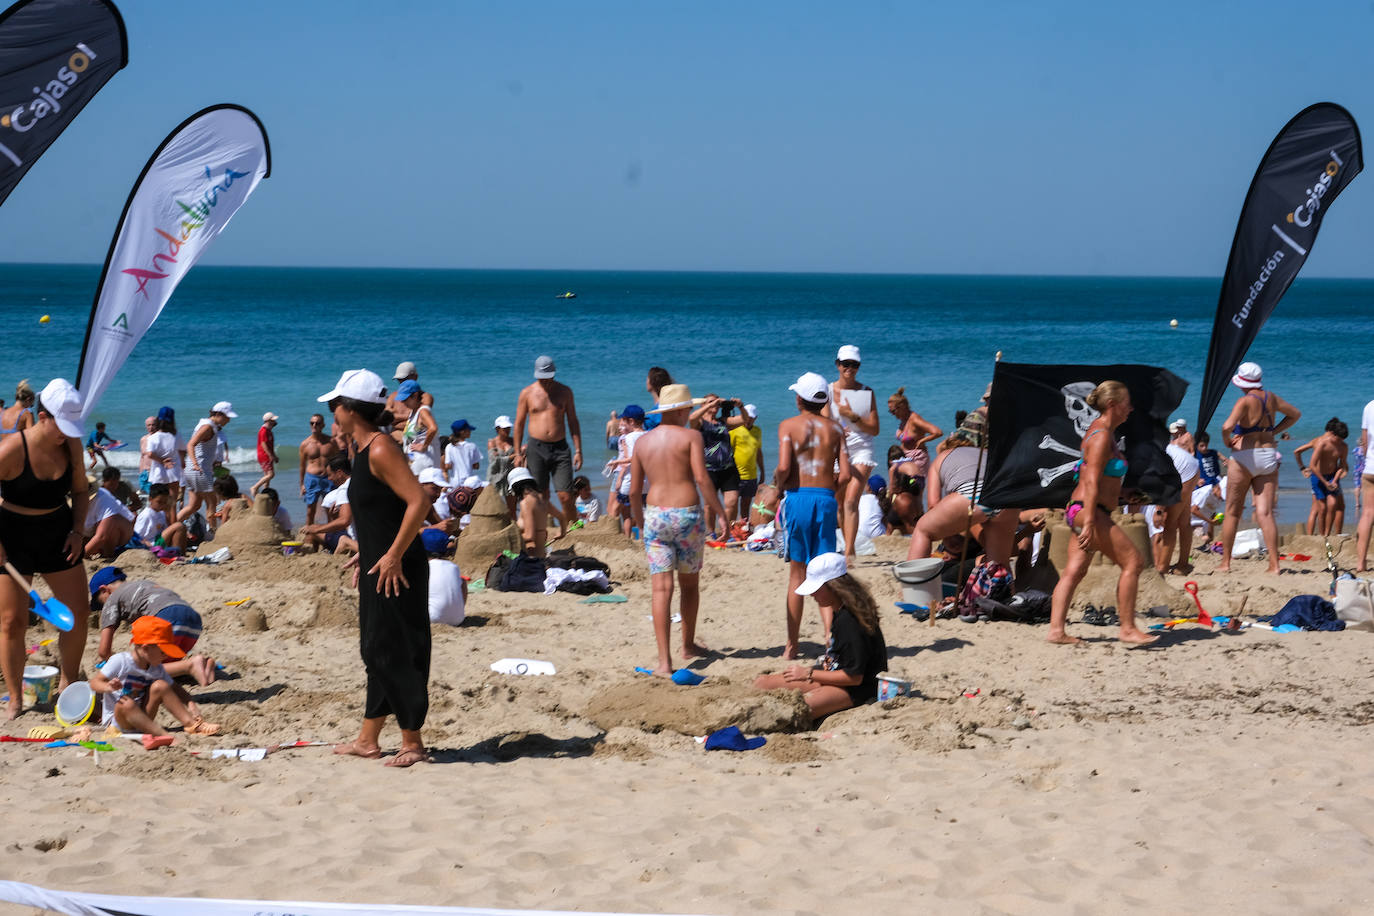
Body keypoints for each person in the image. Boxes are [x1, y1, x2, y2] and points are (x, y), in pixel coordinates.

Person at [321, 369, 432, 768]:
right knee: (377, 649)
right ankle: (368, 739)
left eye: (335, 404)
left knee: (390, 649)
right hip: (379, 562)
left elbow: (418, 502)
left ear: (351, 410)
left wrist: (392, 554)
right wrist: (368, 553)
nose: (332, 410)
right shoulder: (363, 449)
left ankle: (413, 742)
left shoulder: (382, 448)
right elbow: (381, 514)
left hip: (398, 565)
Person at [0, 379, 90, 714]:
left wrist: (78, 532)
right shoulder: (11, 450)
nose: (65, 434)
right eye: (60, 426)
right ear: (42, 417)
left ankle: (68, 684)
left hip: (57, 531)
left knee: (78, 613)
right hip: (12, 534)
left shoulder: (72, 446)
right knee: (12, 621)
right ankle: (15, 698)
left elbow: (80, 491)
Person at [629, 383, 728, 677]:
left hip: (656, 516)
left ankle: (664, 662)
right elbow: (701, 478)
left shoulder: (643, 443)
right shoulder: (691, 437)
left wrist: (638, 523)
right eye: (688, 408)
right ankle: (687, 645)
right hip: (687, 516)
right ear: (681, 409)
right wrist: (720, 513)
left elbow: (635, 491)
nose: (689, 413)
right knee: (689, 585)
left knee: (661, 589)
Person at [1046, 381, 1155, 645]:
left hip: (1084, 509)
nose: (1131, 408)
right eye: (1127, 403)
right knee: (1133, 562)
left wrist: (1124, 494)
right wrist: (1091, 523)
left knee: (1075, 571)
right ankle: (1127, 628)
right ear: (1113, 405)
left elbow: (1100, 478)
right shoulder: (1101, 436)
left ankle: (1056, 632)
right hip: (1088, 511)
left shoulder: (1105, 433)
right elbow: (1092, 480)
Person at [753, 553, 887, 719]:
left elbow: (854, 677)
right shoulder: (839, 608)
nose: (812, 594)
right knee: (762, 683)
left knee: (796, 712)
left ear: (833, 586)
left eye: (816, 588)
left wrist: (808, 673)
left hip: (858, 688)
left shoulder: (850, 621)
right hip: (835, 673)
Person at [776, 372, 850, 658]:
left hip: (798, 498)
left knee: (797, 573)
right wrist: (831, 492)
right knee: (826, 574)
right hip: (825, 498)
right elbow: (844, 475)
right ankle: (831, 640)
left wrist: (779, 485)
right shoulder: (835, 430)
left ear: (798, 399)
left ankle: (792, 646)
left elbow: (783, 467)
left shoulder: (788, 426)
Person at [1218, 362, 1299, 574]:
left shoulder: (1244, 401)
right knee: (1265, 513)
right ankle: (1274, 564)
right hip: (1268, 455)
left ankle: (1225, 563)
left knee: (1232, 512)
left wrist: (1227, 442)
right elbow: (1295, 414)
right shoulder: (1271, 398)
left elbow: (1226, 426)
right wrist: (1274, 430)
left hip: (1245, 456)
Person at [88, 615, 219, 736]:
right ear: (145, 648)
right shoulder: (120, 661)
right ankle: (159, 733)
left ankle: (192, 725)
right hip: (118, 721)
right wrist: (108, 687)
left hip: (143, 718)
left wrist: (191, 704)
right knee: (127, 704)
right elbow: (94, 683)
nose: (166, 655)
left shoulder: (156, 668)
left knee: (161, 686)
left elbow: (175, 689)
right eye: (163, 652)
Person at [907, 428, 1018, 568]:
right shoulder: (984, 452)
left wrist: (947, 532)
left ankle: (912, 586)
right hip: (1008, 496)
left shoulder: (941, 457)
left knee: (923, 530)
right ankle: (1006, 589)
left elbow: (933, 505)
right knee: (1000, 566)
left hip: (973, 493)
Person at [90, 566, 216, 686]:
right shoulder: (144, 584)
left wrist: (119, 662)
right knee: (162, 662)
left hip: (166, 618)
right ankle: (204, 666)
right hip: (193, 620)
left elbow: (103, 651)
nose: (103, 607)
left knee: (143, 668)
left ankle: (190, 665)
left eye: (101, 603)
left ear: (104, 590)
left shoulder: (112, 599)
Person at [513, 355, 582, 535]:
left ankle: (573, 528)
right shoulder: (527, 393)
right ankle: (542, 530)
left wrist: (578, 450)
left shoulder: (565, 392)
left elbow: (573, 421)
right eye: (543, 377)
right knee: (541, 495)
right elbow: (519, 424)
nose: (546, 381)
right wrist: (518, 453)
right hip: (536, 447)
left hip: (560, 448)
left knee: (565, 495)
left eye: (549, 376)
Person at [826, 346, 879, 558]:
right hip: (838, 449)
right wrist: (837, 429)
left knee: (851, 500)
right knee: (839, 503)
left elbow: (874, 429)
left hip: (862, 448)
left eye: (854, 364)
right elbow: (823, 421)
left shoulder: (866, 392)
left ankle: (849, 554)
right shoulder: (828, 391)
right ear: (838, 365)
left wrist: (853, 416)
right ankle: (848, 546)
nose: (850, 368)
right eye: (846, 364)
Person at [690, 395, 745, 537]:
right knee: (709, 505)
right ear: (703, 405)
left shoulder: (723, 421)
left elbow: (745, 419)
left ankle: (727, 531)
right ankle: (711, 532)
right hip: (708, 469)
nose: (714, 405)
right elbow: (691, 418)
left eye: (717, 403)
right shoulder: (700, 422)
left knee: (732, 502)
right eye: (710, 402)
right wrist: (709, 405)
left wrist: (741, 407)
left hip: (728, 468)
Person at [179, 402, 237, 528]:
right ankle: (214, 535)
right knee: (213, 504)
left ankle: (171, 527)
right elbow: (190, 444)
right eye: (227, 417)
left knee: (194, 505)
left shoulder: (209, 425)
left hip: (192, 470)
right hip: (199, 469)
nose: (228, 420)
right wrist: (195, 463)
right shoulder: (207, 427)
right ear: (218, 414)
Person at [1156, 420, 1201, 574]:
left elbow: (1164, 480)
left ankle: (1162, 567)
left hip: (1184, 472)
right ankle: (1183, 565)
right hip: (1191, 466)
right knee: (1184, 521)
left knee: (1169, 522)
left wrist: (1159, 510)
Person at [888, 386, 944, 505]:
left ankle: (918, 519)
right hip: (905, 459)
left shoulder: (915, 419)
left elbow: (937, 432)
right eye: (890, 411)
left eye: (893, 411)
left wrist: (923, 440)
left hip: (918, 458)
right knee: (902, 492)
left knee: (915, 492)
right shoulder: (904, 419)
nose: (892, 414)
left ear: (901, 407)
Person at [1294, 418, 1350, 536]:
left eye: (1342, 440)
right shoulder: (1321, 443)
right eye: (1338, 439)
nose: (1340, 442)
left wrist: (1335, 480)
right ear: (1333, 434)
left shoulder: (1343, 447)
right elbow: (1312, 465)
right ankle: (1321, 535)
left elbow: (1342, 465)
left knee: (1333, 504)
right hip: (1318, 478)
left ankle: (1327, 534)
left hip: (1332, 477)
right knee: (1321, 508)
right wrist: (1302, 468)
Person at [301, 455, 357, 555]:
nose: (329, 479)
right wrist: (334, 516)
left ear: (339, 473)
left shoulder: (344, 490)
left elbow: (344, 521)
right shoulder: (360, 482)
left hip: (355, 538)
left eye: (330, 475)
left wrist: (316, 528)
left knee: (315, 531)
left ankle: (343, 545)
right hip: (370, 533)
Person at [84, 466, 136, 558]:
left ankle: (108, 554)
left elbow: (101, 536)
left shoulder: (104, 499)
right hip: (94, 530)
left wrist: (79, 558)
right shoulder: (72, 499)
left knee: (112, 522)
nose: (115, 486)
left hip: (122, 532)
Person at [299, 413, 340, 526]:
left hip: (329, 478)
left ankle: (332, 537)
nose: (314, 425)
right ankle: (310, 538)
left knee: (331, 509)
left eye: (317, 423)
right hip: (312, 479)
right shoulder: (305, 444)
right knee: (310, 511)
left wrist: (340, 479)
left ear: (323, 425)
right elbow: (302, 466)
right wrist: (302, 484)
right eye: (312, 423)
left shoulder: (331, 442)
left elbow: (338, 460)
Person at [612, 404, 648, 537]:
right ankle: (642, 536)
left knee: (617, 510)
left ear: (631, 421)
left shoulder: (629, 437)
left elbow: (633, 458)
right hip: (648, 482)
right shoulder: (648, 434)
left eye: (625, 420)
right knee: (644, 512)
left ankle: (618, 538)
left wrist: (617, 462)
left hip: (632, 481)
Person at [423, 529, 466, 626]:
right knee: (462, 581)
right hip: (458, 619)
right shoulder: (454, 567)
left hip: (432, 617)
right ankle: (458, 611)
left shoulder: (424, 568)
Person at [731, 404, 766, 523]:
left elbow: (758, 453)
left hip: (751, 475)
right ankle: (731, 529)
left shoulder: (757, 431)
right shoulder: (734, 430)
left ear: (755, 418)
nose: (749, 419)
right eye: (747, 417)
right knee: (732, 505)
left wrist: (762, 472)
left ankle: (743, 528)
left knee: (746, 505)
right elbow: (728, 451)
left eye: (751, 417)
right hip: (735, 475)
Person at [397, 380, 440, 474]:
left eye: (405, 399)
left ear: (415, 395)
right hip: (416, 463)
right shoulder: (413, 412)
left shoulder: (423, 411)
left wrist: (424, 446)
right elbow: (418, 432)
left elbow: (433, 428)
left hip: (425, 464)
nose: (403, 403)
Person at [143, 408, 182, 509]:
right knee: (172, 503)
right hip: (173, 470)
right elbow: (182, 450)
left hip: (158, 472)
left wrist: (162, 461)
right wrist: (181, 462)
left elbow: (150, 454)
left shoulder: (153, 437)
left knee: (158, 504)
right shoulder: (176, 435)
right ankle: (172, 523)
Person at [506, 467, 548, 555]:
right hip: (542, 553)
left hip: (534, 557)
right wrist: (561, 532)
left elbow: (529, 536)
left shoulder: (525, 503)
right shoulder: (541, 499)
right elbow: (561, 517)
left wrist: (510, 538)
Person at [135, 483, 189, 552]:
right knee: (179, 526)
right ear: (150, 499)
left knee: (181, 527)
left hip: (159, 540)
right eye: (159, 502)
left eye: (164, 502)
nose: (162, 505)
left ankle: (181, 552)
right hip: (152, 544)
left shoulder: (161, 513)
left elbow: (167, 528)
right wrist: (145, 543)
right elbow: (136, 535)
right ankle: (176, 553)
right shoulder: (146, 515)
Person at [488, 415, 516, 517]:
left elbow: (520, 456)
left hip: (510, 476)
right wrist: (511, 457)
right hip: (496, 478)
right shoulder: (492, 443)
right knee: (495, 508)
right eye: (505, 429)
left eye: (508, 428)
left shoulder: (513, 441)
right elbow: (494, 461)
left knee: (512, 508)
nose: (507, 431)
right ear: (498, 429)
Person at [1358, 396, 1374, 572]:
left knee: (1367, 515)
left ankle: (1361, 563)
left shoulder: (1369, 406)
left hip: (1370, 466)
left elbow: (1365, 442)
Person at [442, 419, 481, 486]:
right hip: (469, 481)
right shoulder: (472, 446)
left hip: (455, 481)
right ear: (462, 432)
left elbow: (447, 466)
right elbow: (476, 466)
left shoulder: (449, 446)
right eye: (468, 430)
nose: (470, 432)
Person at [251, 412, 279, 498]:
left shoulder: (269, 431)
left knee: (267, 476)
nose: (275, 422)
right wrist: (270, 455)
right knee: (271, 475)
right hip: (264, 456)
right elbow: (264, 445)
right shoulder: (263, 431)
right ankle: (254, 487)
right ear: (268, 421)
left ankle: (265, 492)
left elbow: (270, 445)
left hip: (267, 455)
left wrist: (274, 455)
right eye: (273, 420)